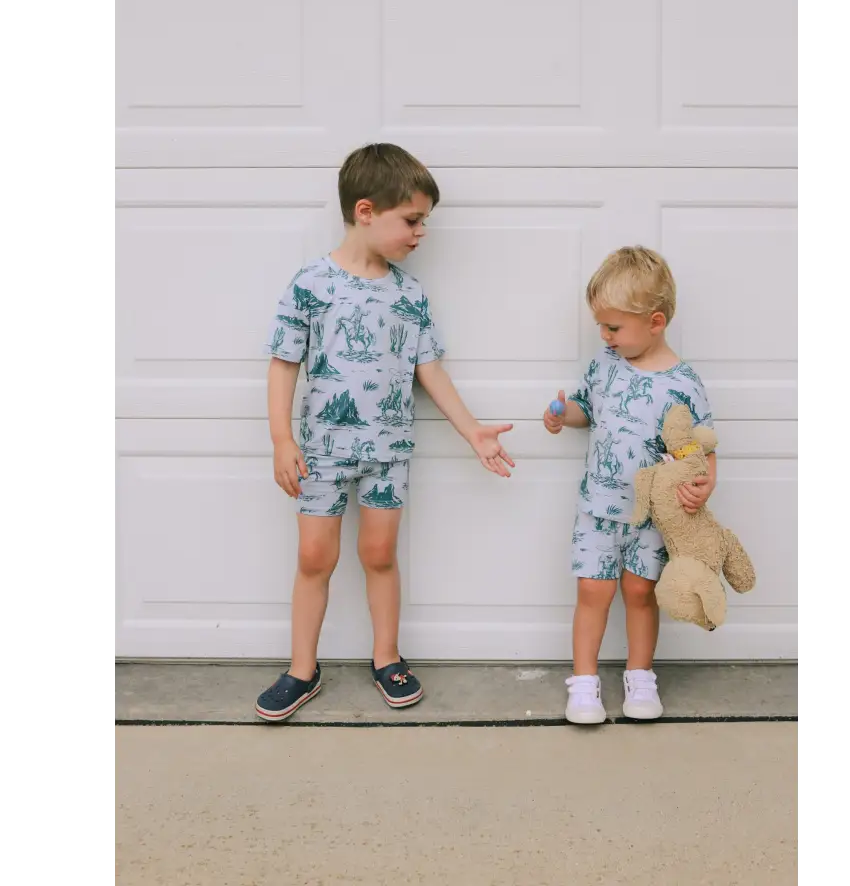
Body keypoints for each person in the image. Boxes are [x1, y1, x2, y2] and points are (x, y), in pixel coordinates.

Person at [255, 143, 515, 722]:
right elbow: (283, 364)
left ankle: (387, 657)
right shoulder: (311, 284)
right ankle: (302, 669)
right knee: (313, 558)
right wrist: (281, 439)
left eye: (424, 220)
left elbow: (430, 371)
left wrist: (473, 431)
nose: (421, 232)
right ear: (367, 211)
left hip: (388, 452)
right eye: (413, 220)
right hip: (320, 452)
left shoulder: (409, 294)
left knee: (379, 553)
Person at [543, 246, 717, 724]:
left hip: (653, 517)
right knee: (592, 594)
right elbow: (586, 410)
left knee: (641, 593)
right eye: (602, 325)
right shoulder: (604, 365)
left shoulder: (683, 383)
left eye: (613, 327)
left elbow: (701, 450)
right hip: (598, 508)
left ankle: (640, 676)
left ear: (655, 321)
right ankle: (584, 684)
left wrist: (703, 486)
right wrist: (562, 416)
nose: (604, 335)